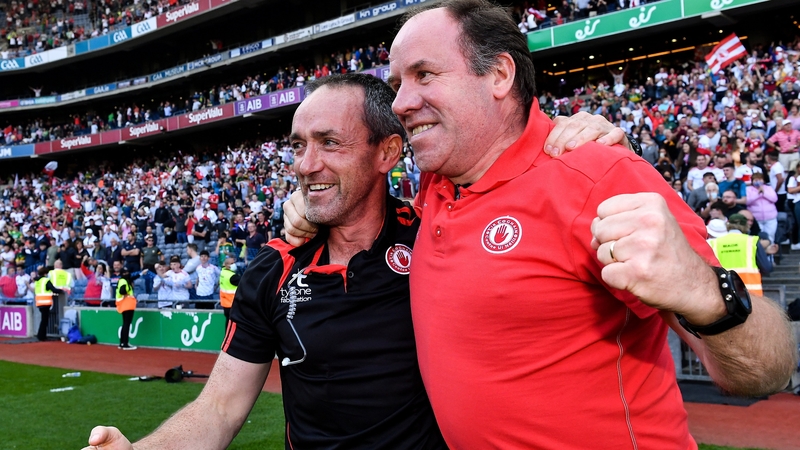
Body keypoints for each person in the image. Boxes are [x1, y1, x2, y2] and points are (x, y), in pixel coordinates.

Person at [284, 1, 795, 447]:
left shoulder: (598, 172)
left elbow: (767, 369)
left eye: (424, 75)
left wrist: (702, 292)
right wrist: (308, 208)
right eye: (396, 84)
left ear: (500, 76)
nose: (399, 103)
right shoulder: (435, 186)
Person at [84, 71, 630, 449]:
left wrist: (573, 136)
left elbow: (504, 168)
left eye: (330, 143)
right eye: (298, 145)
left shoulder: (440, 237)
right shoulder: (271, 270)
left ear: (388, 153)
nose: (307, 164)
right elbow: (220, 410)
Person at [34, 266, 64, 341]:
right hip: (45, 303)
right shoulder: (46, 280)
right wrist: (61, 290)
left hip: (39, 302)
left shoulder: (38, 281)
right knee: (44, 321)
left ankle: (41, 335)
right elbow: (53, 289)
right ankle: (41, 336)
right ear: (45, 273)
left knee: (44, 320)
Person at [116, 269, 138, 350]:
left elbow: (133, 277)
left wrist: (141, 273)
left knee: (125, 324)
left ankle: (122, 343)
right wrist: (128, 292)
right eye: (125, 273)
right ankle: (125, 343)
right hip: (127, 304)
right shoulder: (124, 281)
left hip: (124, 305)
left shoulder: (123, 280)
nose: (127, 274)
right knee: (127, 324)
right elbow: (122, 291)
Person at [218, 257, 240, 321]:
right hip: (232, 303)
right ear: (227, 265)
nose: (234, 264)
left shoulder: (223, 272)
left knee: (228, 323)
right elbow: (244, 282)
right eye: (232, 263)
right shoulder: (232, 276)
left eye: (234, 263)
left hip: (225, 303)